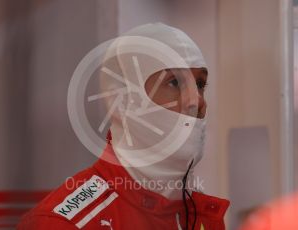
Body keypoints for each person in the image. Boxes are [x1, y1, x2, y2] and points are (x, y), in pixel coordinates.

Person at [17, 23, 229, 230]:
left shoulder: (201, 216)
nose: (198, 102)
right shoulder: (62, 224)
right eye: (174, 82)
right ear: (125, 99)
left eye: (200, 84)